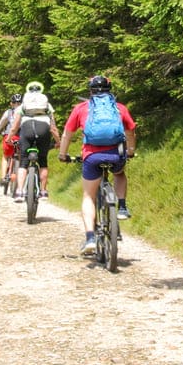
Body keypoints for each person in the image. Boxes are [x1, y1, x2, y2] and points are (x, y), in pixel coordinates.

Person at [58, 74, 137, 255]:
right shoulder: (118, 108)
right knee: (119, 174)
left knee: (88, 196)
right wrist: (130, 150)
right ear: (110, 91)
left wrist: (63, 154)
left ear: (91, 91)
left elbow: (67, 135)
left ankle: (90, 238)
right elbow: (131, 130)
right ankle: (122, 207)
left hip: (92, 156)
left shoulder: (81, 108)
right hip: (116, 155)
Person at [14, 81, 57, 201]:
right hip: (43, 129)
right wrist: (58, 141)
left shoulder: (23, 105)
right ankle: (43, 191)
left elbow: (15, 126)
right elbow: (53, 127)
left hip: (26, 129)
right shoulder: (47, 105)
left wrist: (8, 138)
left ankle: (19, 192)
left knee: (23, 162)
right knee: (43, 161)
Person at [0, 93, 21, 187]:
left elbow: (1, 124)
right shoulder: (26, 113)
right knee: (22, 157)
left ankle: (4, 177)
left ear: (11, 103)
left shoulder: (8, 112)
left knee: (5, 156)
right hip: (22, 137)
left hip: (9, 137)